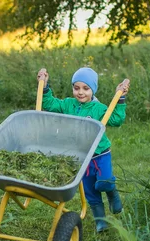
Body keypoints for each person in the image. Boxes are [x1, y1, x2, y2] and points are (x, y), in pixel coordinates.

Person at [36, 67, 130, 232]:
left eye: (86, 88)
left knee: (104, 182)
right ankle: (100, 221)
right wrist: (44, 86)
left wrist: (120, 98)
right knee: (90, 191)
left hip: (100, 153)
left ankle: (112, 193)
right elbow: (49, 104)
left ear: (93, 90)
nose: (80, 92)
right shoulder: (68, 104)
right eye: (76, 87)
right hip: (81, 156)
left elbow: (116, 119)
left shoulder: (98, 108)